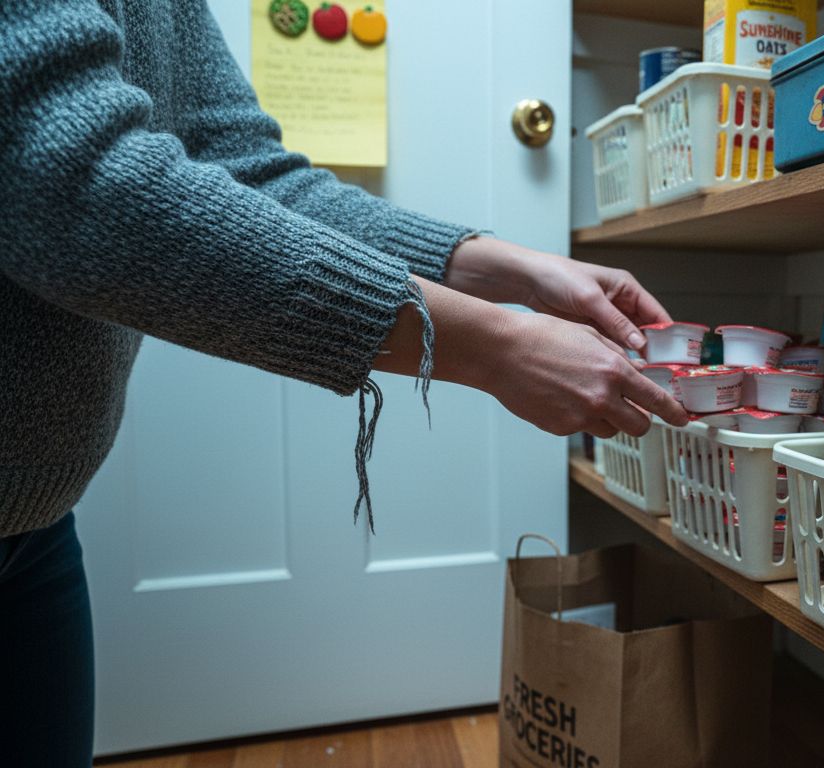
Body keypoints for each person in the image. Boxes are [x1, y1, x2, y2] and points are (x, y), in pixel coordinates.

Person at [0, 0, 689, 764]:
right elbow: (66, 181)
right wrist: (497, 346)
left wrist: (515, 269)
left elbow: (256, 177)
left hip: (37, 517)